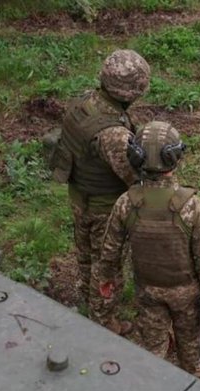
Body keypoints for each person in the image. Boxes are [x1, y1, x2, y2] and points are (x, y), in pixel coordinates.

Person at [94, 122, 200, 377]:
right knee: (193, 353)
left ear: (135, 157)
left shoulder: (126, 204)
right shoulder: (193, 207)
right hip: (187, 293)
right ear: (175, 159)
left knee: (152, 353)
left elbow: (110, 249)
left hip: (148, 290)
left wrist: (106, 278)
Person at [51, 49, 150, 328]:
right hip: (103, 210)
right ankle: (104, 323)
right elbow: (135, 177)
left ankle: (86, 295)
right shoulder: (114, 135)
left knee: (85, 256)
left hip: (79, 197)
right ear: (131, 92)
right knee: (106, 266)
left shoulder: (84, 103)